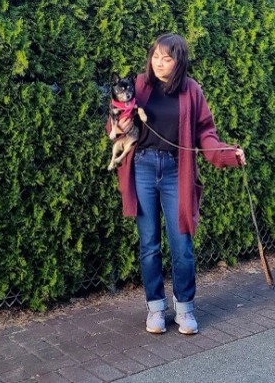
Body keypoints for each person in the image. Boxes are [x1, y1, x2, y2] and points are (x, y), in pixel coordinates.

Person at [107, 33, 246, 335]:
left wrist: (228, 154)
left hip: (175, 171)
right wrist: (119, 127)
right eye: (155, 56)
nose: (159, 63)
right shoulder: (139, 85)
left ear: (178, 61)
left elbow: (205, 133)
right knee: (149, 245)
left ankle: (184, 308)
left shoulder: (191, 90)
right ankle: (156, 308)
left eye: (166, 58)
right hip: (142, 167)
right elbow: (115, 120)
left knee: (181, 245)